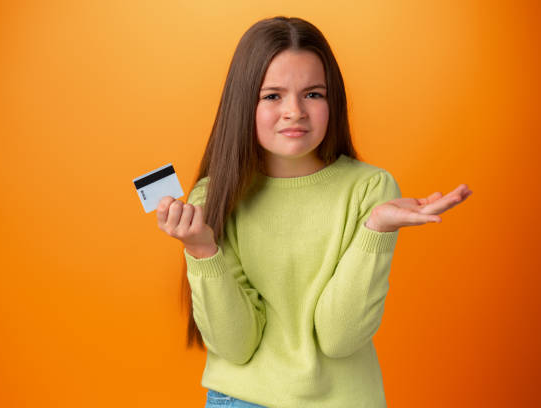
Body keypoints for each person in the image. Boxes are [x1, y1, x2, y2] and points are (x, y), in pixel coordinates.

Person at [156, 16, 472, 408]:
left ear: (332, 100)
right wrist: (201, 250)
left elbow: (339, 338)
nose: (295, 111)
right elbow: (235, 346)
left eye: (313, 94)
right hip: (240, 400)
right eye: (272, 96)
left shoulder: (371, 190)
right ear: (243, 103)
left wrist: (376, 229)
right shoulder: (214, 196)